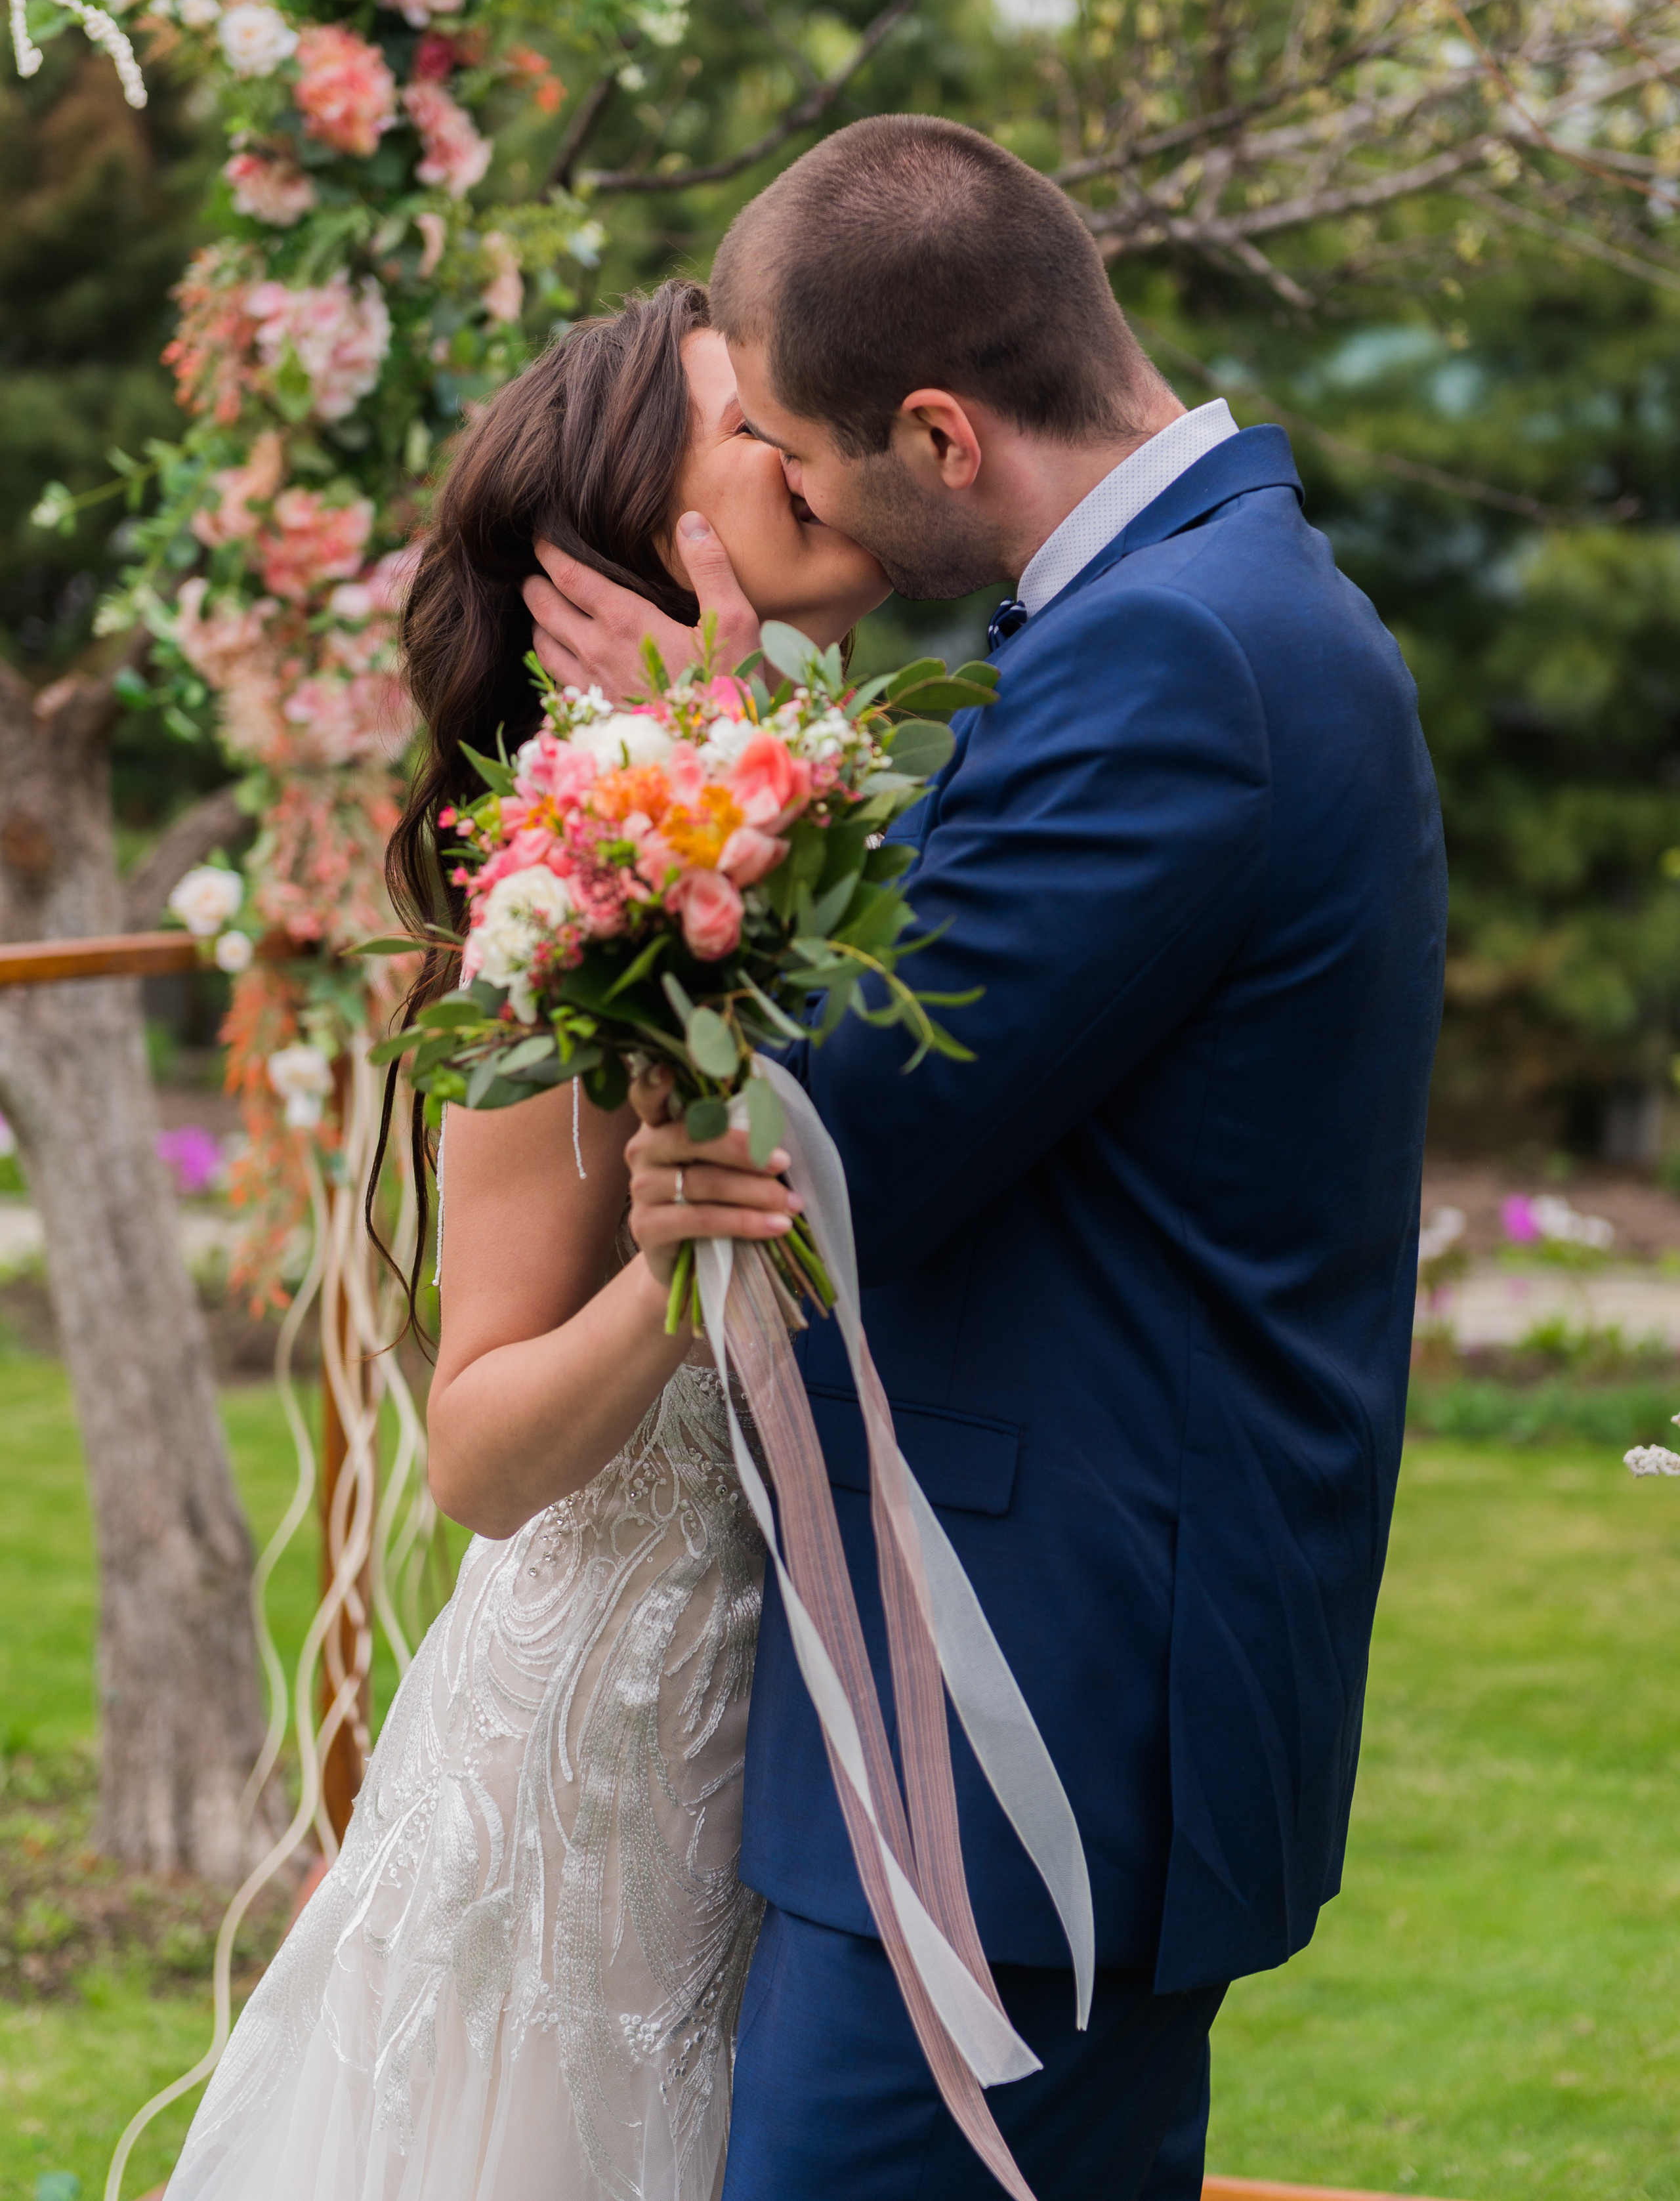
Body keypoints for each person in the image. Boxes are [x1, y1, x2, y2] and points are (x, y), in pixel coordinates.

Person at [523, 115, 1449, 2201]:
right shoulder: (1215, 606)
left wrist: (688, 770)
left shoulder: (1172, 653)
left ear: (938, 431)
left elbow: (821, 1146)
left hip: (1024, 1730)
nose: (783, 501)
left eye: (793, 452)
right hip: (1057, 1690)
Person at [160, 282, 891, 2201]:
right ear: (643, 541)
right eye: (753, 426)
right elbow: (476, 1452)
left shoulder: (830, 828)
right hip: (608, 1764)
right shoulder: (567, 917)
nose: (808, 443)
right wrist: (672, 1275)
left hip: (799, 1740)